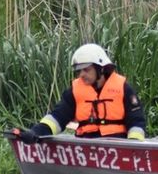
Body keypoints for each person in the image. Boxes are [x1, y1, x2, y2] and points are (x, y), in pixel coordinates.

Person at [14, 43, 146, 143]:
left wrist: (133, 145)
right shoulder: (75, 91)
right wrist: (35, 132)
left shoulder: (124, 89)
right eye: (79, 71)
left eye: (86, 70)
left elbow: (137, 121)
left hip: (118, 145)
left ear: (100, 68)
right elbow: (57, 118)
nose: (81, 75)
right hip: (86, 145)